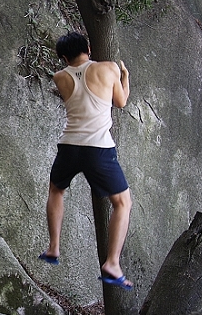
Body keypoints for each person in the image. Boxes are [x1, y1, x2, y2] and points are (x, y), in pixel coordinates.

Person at [38, 32, 133, 291]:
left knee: (56, 190)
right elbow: (121, 102)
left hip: (69, 145)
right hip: (98, 149)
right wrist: (124, 78)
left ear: (64, 57)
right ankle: (112, 263)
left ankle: (53, 247)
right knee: (122, 203)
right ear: (89, 48)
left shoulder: (59, 77)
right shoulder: (109, 68)